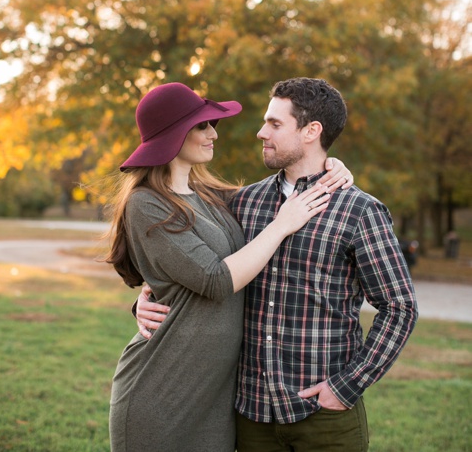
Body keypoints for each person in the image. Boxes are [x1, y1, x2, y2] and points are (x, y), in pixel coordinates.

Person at [135, 78, 418, 451]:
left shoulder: (359, 210)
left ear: (311, 131)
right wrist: (146, 300)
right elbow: (195, 266)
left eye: (274, 124)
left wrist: (347, 386)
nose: (260, 132)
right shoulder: (241, 203)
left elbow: (400, 307)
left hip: (325, 416)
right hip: (251, 417)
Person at [106, 82, 333, 452]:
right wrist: (282, 224)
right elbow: (214, 278)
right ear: (173, 135)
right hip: (159, 391)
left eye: (213, 125)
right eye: (202, 126)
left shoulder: (213, 196)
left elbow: (289, 180)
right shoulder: (145, 204)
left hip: (215, 402)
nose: (213, 133)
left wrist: (330, 164)